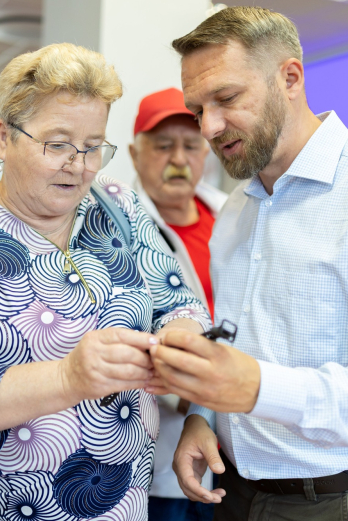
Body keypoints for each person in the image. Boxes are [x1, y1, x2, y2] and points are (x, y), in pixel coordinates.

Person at [147, 6, 348, 520]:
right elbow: (236, 346)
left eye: (226, 98)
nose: (210, 127)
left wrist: (259, 388)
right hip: (235, 494)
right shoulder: (237, 210)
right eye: (198, 107)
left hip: (347, 500)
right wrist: (203, 415)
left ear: (290, 77)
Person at [0, 43, 212, 520]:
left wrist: (181, 345)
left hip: (120, 506)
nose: (79, 165)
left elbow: (182, 305)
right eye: (58, 144)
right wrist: (69, 377)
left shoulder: (117, 207)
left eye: (92, 147)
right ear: (5, 138)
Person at [128, 88, 227, 521]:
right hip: (161, 434)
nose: (179, 159)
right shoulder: (115, 228)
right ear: (134, 154)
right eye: (163, 146)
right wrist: (188, 393)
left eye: (190, 146)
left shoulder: (233, 215)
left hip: (236, 433)